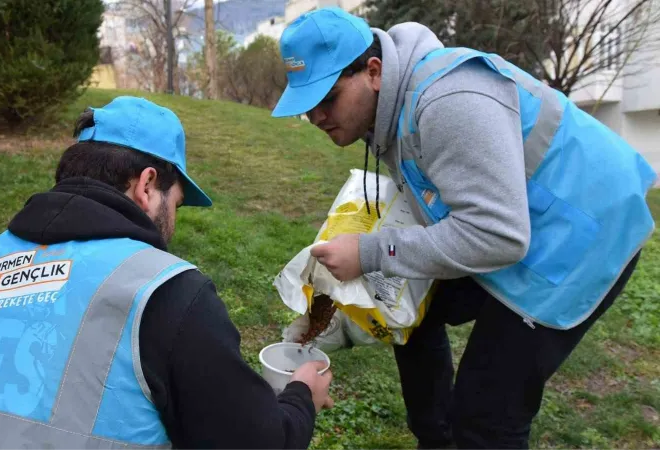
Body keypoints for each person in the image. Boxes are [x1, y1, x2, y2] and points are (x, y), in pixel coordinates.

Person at [270, 7, 656, 450]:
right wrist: (337, 318)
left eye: (328, 98)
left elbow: (498, 236)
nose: (317, 116)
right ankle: (437, 441)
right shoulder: (391, 110)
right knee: (416, 319)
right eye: (307, 104)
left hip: (580, 235)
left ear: (373, 71)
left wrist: (372, 253)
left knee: (487, 415)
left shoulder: (447, 102)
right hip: (515, 224)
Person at [0, 96, 334, 450]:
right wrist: (300, 397)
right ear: (146, 185)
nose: (174, 224)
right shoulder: (164, 293)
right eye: (175, 203)